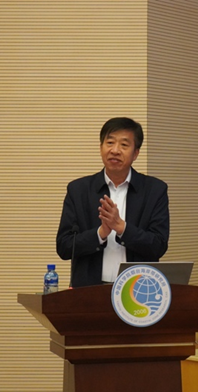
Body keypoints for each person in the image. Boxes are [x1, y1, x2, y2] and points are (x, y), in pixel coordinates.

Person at [56, 117, 170, 287]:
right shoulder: (79, 190)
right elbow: (64, 247)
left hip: (137, 291)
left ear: (136, 153)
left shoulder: (154, 190)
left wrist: (122, 228)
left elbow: (158, 246)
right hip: (89, 291)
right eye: (110, 143)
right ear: (101, 147)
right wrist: (100, 233)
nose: (115, 150)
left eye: (124, 145)